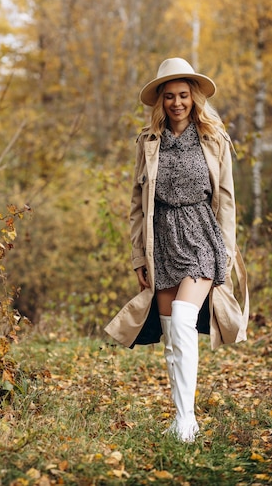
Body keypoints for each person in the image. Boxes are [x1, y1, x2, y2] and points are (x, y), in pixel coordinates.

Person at [105, 58, 249, 443]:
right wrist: (139, 257)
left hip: (202, 233)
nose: (177, 102)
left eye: (183, 95)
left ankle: (187, 422)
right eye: (169, 96)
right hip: (162, 239)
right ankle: (183, 418)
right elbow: (137, 204)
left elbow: (227, 201)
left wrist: (229, 255)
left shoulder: (214, 139)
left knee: (185, 318)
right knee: (171, 334)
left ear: (194, 97)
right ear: (160, 101)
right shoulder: (148, 142)